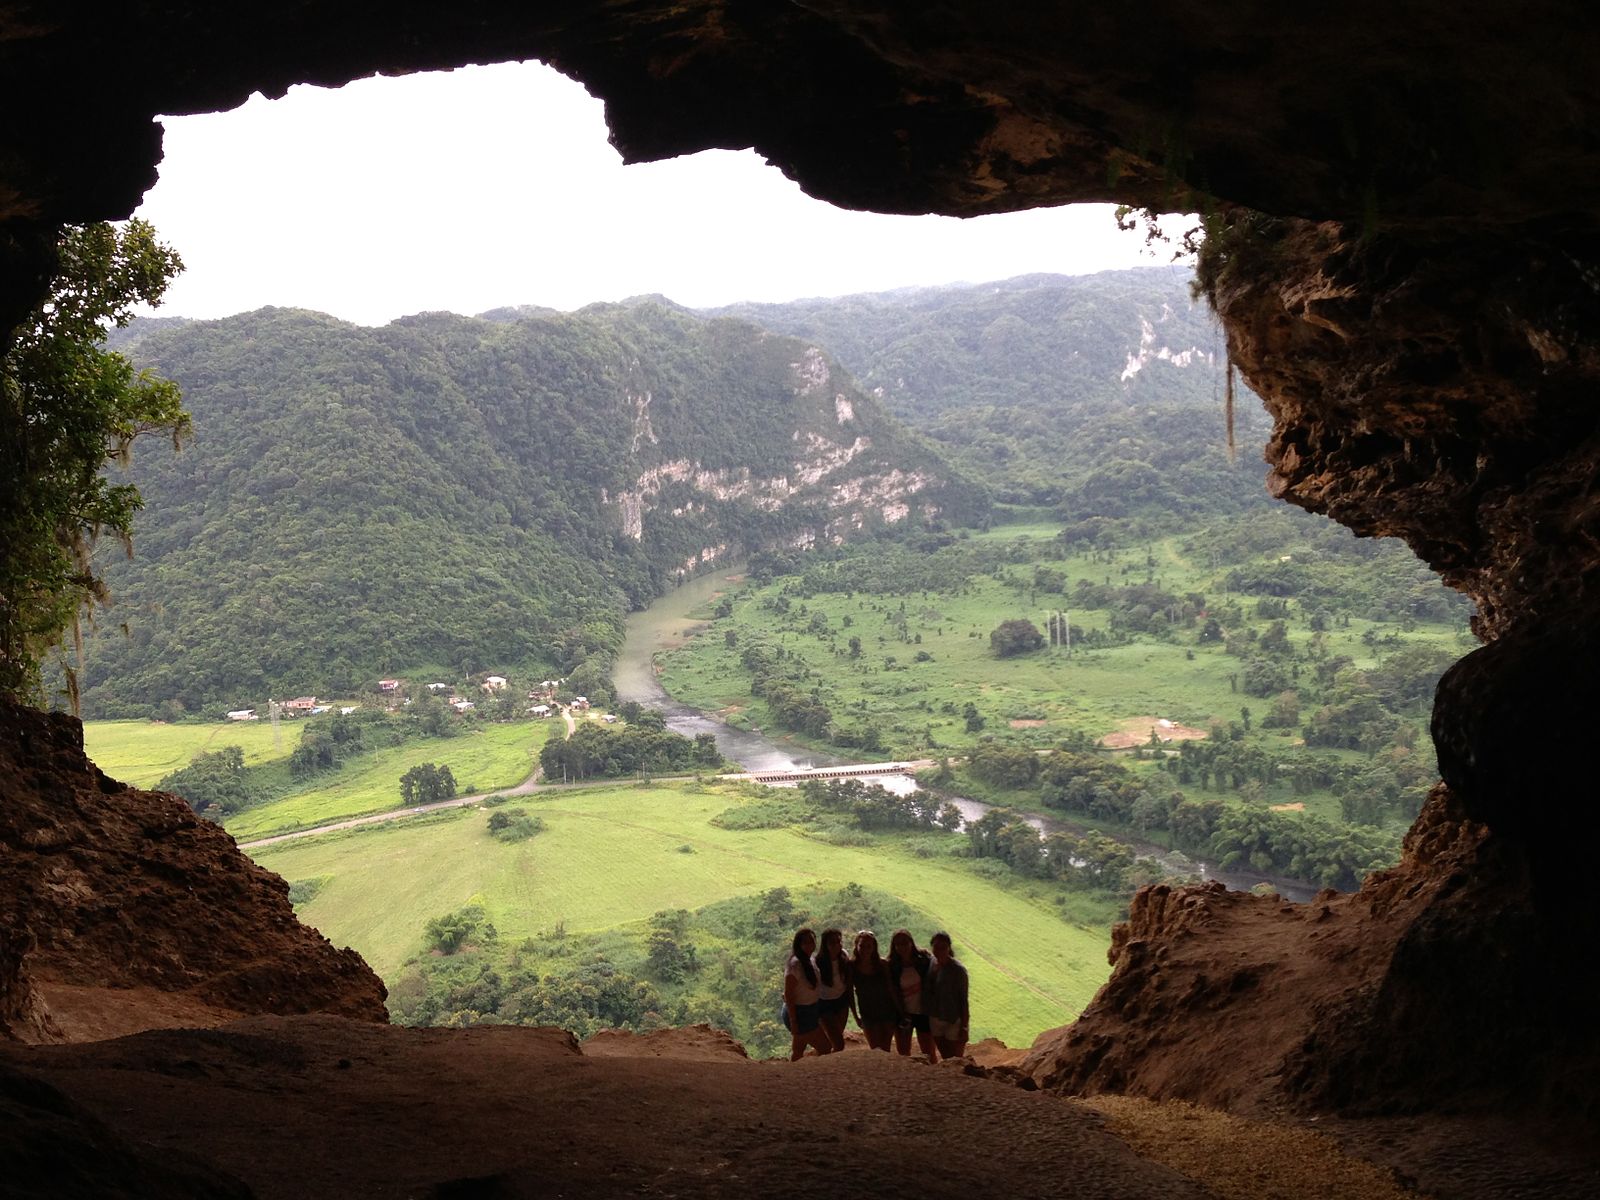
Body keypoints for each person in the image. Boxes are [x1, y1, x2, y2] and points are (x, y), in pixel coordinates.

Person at [886, 928, 936, 1060]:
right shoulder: (892, 965)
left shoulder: (924, 960)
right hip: (902, 1013)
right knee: (903, 1053)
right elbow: (891, 990)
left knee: (929, 1051)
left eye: (905, 942)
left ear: (911, 942)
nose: (902, 946)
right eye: (898, 944)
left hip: (923, 1011)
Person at [783, 927, 832, 1061]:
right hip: (799, 1013)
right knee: (825, 1048)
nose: (810, 944)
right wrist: (794, 1021)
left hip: (808, 1011)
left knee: (798, 1050)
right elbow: (788, 994)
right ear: (799, 944)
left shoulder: (810, 959)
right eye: (806, 942)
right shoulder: (795, 965)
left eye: (812, 941)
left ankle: (796, 1075)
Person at [848, 929, 900, 1051]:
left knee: (885, 1048)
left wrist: (900, 1011)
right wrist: (856, 1016)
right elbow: (850, 993)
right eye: (862, 945)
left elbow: (891, 988)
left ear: (874, 947)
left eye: (869, 946)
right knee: (875, 1049)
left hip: (887, 1010)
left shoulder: (882, 964)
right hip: (868, 1013)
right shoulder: (852, 966)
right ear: (856, 946)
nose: (865, 949)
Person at [926, 930, 970, 1059]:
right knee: (945, 1056)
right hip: (935, 1017)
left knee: (955, 1059)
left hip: (952, 1019)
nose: (939, 950)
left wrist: (965, 1027)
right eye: (936, 947)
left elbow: (963, 1000)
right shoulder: (931, 963)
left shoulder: (958, 970)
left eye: (943, 947)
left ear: (949, 948)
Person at [814, 928, 852, 1052]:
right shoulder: (817, 962)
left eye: (839, 942)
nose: (837, 945)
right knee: (838, 1042)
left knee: (836, 1038)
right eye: (832, 942)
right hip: (824, 1004)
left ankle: (827, 1061)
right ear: (825, 945)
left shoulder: (844, 956)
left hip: (841, 1002)